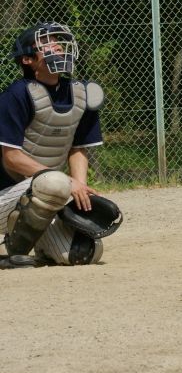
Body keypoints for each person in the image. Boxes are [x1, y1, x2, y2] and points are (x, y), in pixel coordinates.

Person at [0, 22, 111, 268]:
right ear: (28, 59)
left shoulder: (82, 93)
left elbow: (78, 148)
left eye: (57, 41)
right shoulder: (16, 94)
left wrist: (80, 189)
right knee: (54, 182)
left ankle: (39, 242)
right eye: (46, 43)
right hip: (6, 196)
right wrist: (67, 182)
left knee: (84, 253)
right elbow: (11, 157)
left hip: (44, 196)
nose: (57, 46)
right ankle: (14, 251)